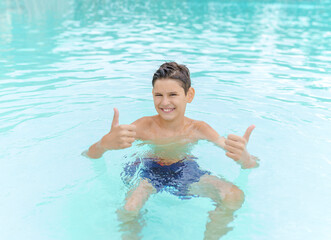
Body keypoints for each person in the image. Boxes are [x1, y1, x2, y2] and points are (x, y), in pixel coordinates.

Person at [86, 62, 259, 239]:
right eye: (158, 95)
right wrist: (104, 144)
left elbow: (246, 159)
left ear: (189, 95)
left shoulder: (198, 129)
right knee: (129, 208)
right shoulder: (143, 126)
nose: (164, 102)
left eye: (173, 94)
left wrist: (244, 157)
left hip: (184, 170)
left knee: (234, 196)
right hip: (147, 172)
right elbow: (90, 154)